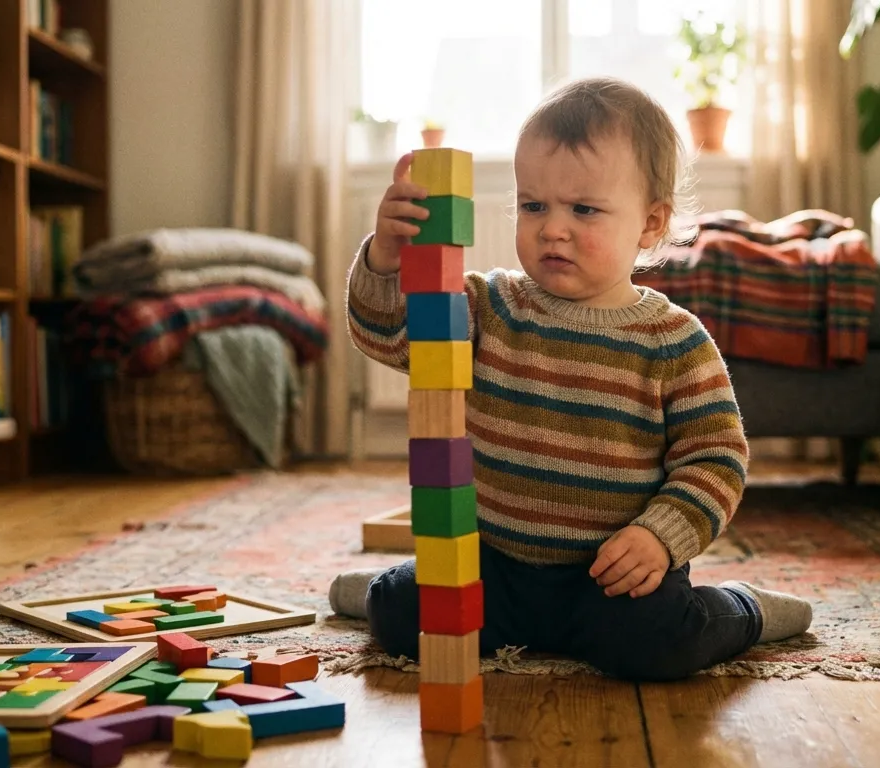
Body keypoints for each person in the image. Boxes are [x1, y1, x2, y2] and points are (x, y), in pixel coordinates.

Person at [331, 76, 812, 682]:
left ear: (649, 224)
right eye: (534, 205)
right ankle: (381, 590)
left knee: (657, 642)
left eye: (583, 209)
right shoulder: (489, 305)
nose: (551, 228)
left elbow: (716, 459)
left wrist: (660, 538)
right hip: (496, 564)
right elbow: (388, 336)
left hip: (612, 574)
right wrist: (385, 258)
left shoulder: (675, 341)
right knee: (401, 613)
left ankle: (743, 610)